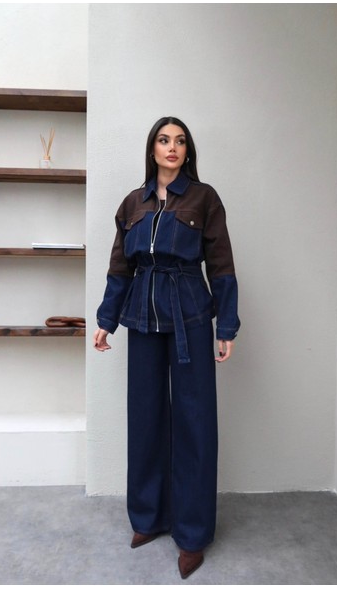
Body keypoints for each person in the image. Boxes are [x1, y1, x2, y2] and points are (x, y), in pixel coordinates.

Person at [93, 117, 240, 579]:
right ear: (152, 149)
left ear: (187, 151)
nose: (171, 147)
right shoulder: (132, 203)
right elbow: (120, 267)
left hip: (189, 316)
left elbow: (221, 264)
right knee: (145, 418)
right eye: (163, 140)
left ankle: (192, 533)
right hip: (142, 316)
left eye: (179, 141)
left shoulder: (204, 197)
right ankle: (149, 517)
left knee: (194, 423)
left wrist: (226, 326)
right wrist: (106, 321)